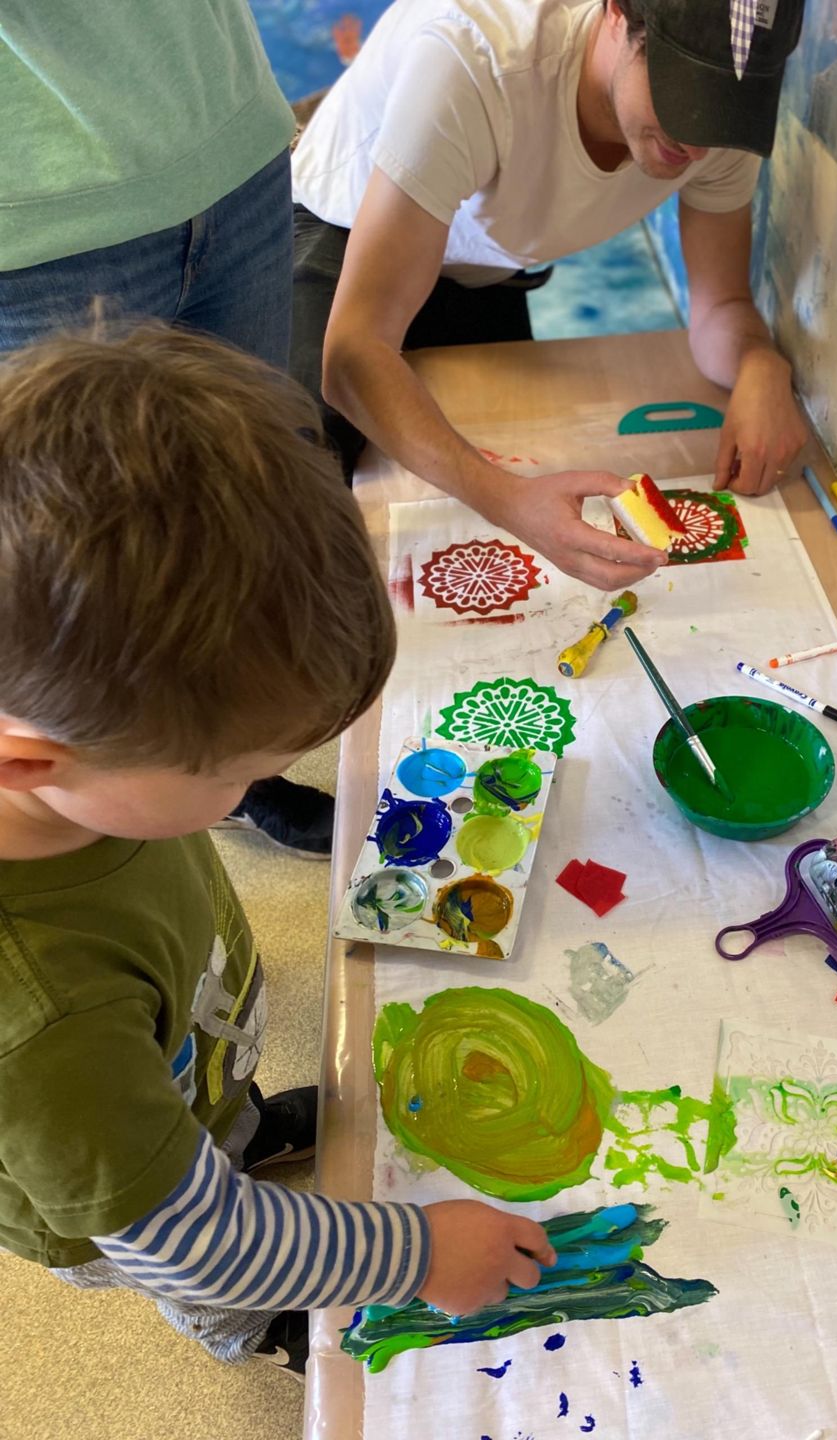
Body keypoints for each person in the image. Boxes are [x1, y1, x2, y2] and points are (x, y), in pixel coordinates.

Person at [0, 324, 555, 1381]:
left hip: (180, 1058)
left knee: (213, 1124)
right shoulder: (43, 1023)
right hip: (139, 1212)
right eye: (235, 773)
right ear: (32, 764)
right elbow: (189, 1243)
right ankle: (255, 1332)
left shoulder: (79, 771)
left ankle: (237, 1132)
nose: (255, 790)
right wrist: (419, 1252)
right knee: (210, 1274)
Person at [291, 0, 811, 591]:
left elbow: (721, 308)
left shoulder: (717, 137)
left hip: (482, 261)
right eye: (683, 97)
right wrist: (507, 500)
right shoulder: (473, 61)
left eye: (721, 113)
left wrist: (759, 363)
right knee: (305, 488)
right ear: (617, 12)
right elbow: (353, 354)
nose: (696, 145)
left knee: (506, 450)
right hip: (343, 232)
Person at [0, 0, 333, 857]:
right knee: (82, 628)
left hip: (222, 126)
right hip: (32, 216)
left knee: (237, 550)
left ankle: (196, 784)